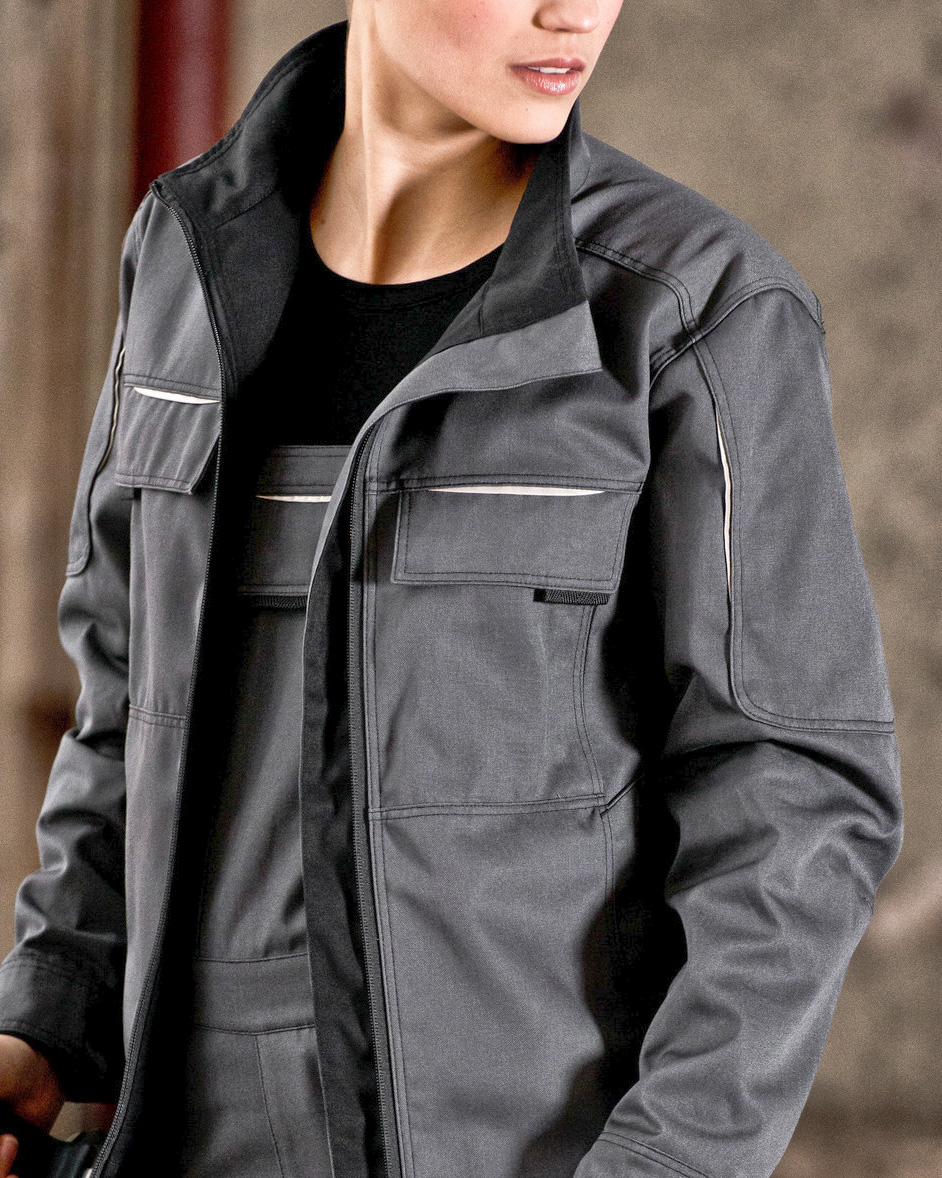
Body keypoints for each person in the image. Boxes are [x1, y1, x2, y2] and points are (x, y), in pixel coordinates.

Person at [0, 1, 903, 1177]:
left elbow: (795, 809)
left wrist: (667, 1163)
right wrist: (47, 1015)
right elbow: (126, 706)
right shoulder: (185, 255)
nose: (572, 11)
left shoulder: (689, 312)